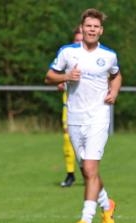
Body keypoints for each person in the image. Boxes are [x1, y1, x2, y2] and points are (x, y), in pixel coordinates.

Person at [45, 8, 121, 223]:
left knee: (89, 167)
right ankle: (107, 205)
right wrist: (66, 77)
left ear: (101, 30)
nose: (92, 30)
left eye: (96, 26)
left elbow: (116, 74)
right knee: (88, 171)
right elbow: (49, 76)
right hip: (75, 117)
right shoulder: (67, 52)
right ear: (82, 28)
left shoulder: (109, 55)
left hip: (99, 116)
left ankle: (85, 221)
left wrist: (114, 92)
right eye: (88, 26)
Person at [58, 26, 83, 188]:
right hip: (70, 104)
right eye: (77, 40)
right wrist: (61, 81)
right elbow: (55, 76)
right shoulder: (67, 56)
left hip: (89, 106)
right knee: (68, 138)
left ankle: (89, 173)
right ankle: (70, 174)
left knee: (88, 141)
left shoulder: (97, 56)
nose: (80, 42)